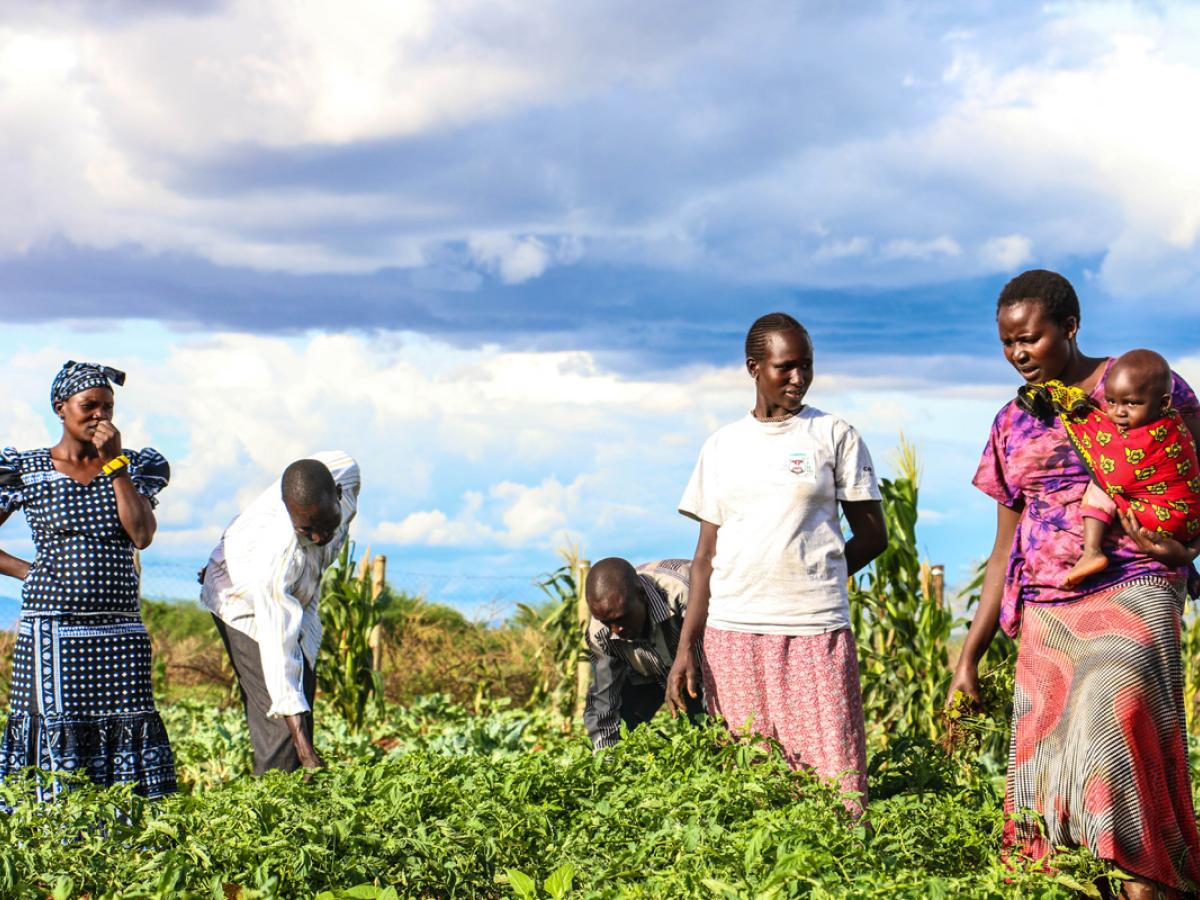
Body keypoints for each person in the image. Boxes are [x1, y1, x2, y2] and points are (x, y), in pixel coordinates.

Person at [948, 269, 1200, 897]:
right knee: (1048, 770)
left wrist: (1182, 546)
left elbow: (1194, 483)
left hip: (1134, 585)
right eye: (1008, 343)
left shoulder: (1140, 383)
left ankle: (1148, 882)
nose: (1019, 354)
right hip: (1047, 610)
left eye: (1030, 338)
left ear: (1070, 327)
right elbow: (1003, 545)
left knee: (1113, 725)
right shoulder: (1012, 422)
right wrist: (968, 656)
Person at [666, 313, 887, 812]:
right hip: (732, 634)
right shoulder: (722, 446)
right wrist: (688, 646)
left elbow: (875, 538)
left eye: (806, 366)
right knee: (752, 789)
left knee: (837, 785)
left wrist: (818, 576)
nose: (799, 379)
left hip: (814, 630)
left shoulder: (833, 435)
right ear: (754, 368)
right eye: (786, 368)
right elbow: (705, 557)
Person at [0, 361, 175, 800]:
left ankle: (127, 836)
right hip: (53, 632)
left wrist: (115, 467)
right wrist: (29, 572)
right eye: (89, 405)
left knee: (128, 721)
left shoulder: (131, 468)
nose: (100, 415)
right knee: (56, 727)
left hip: (120, 632)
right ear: (61, 408)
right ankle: (56, 835)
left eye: (108, 407)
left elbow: (141, 535)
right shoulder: (28, 469)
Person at [200, 451, 360, 775]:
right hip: (239, 597)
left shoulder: (346, 472)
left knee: (302, 700)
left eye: (325, 524)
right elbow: (279, 655)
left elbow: (305, 480)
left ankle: (302, 809)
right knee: (282, 729)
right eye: (306, 529)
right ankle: (271, 816)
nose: (317, 537)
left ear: (339, 494)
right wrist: (305, 749)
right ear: (289, 516)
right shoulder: (274, 558)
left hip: (294, 591)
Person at [1053, 349, 1200, 588]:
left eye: (1131, 403)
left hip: (1164, 522)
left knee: (1101, 484)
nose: (1118, 412)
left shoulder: (1150, 438)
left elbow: (1117, 474)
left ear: (1164, 402)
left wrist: (1076, 414)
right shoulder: (1174, 424)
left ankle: (1091, 551)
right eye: (1111, 401)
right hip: (1188, 524)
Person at [584, 557, 703, 749]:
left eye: (622, 619)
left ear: (641, 595)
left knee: (709, 732)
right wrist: (606, 759)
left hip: (703, 666)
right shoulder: (600, 630)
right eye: (608, 623)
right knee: (616, 718)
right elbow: (603, 700)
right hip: (649, 672)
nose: (616, 630)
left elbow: (722, 669)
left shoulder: (683, 590)